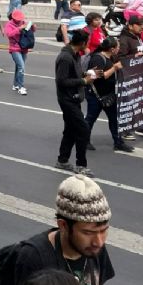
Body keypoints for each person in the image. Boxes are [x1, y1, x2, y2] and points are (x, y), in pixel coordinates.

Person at [0, 175, 113, 285]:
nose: (99, 241)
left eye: (103, 231)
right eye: (87, 232)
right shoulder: (33, 257)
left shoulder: (94, 248)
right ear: (63, 225)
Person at [54, 30, 95, 177]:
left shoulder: (75, 55)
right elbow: (62, 81)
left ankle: (62, 159)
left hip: (75, 97)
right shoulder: (65, 57)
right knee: (83, 129)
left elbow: (74, 74)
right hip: (67, 99)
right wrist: (84, 81)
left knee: (71, 129)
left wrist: (87, 75)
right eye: (87, 42)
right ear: (82, 43)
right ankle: (81, 165)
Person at [84, 38, 132, 153]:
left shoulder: (111, 57)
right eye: (118, 47)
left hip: (109, 95)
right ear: (112, 49)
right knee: (90, 119)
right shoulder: (97, 58)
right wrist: (114, 68)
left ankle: (118, 142)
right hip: (96, 96)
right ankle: (84, 140)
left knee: (114, 119)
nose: (119, 49)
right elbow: (99, 76)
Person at [3, 10, 35, 95]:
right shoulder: (9, 24)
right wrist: (19, 28)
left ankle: (15, 84)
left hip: (24, 47)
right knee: (21, 67)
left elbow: (32, 31)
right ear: (13, 18)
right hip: (14, 48)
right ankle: (21, 87)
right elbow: (9, 34)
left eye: (20, 19)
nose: (19, 20)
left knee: (19, 67)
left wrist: (32, 26)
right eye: (17, 19)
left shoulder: (23, 22)